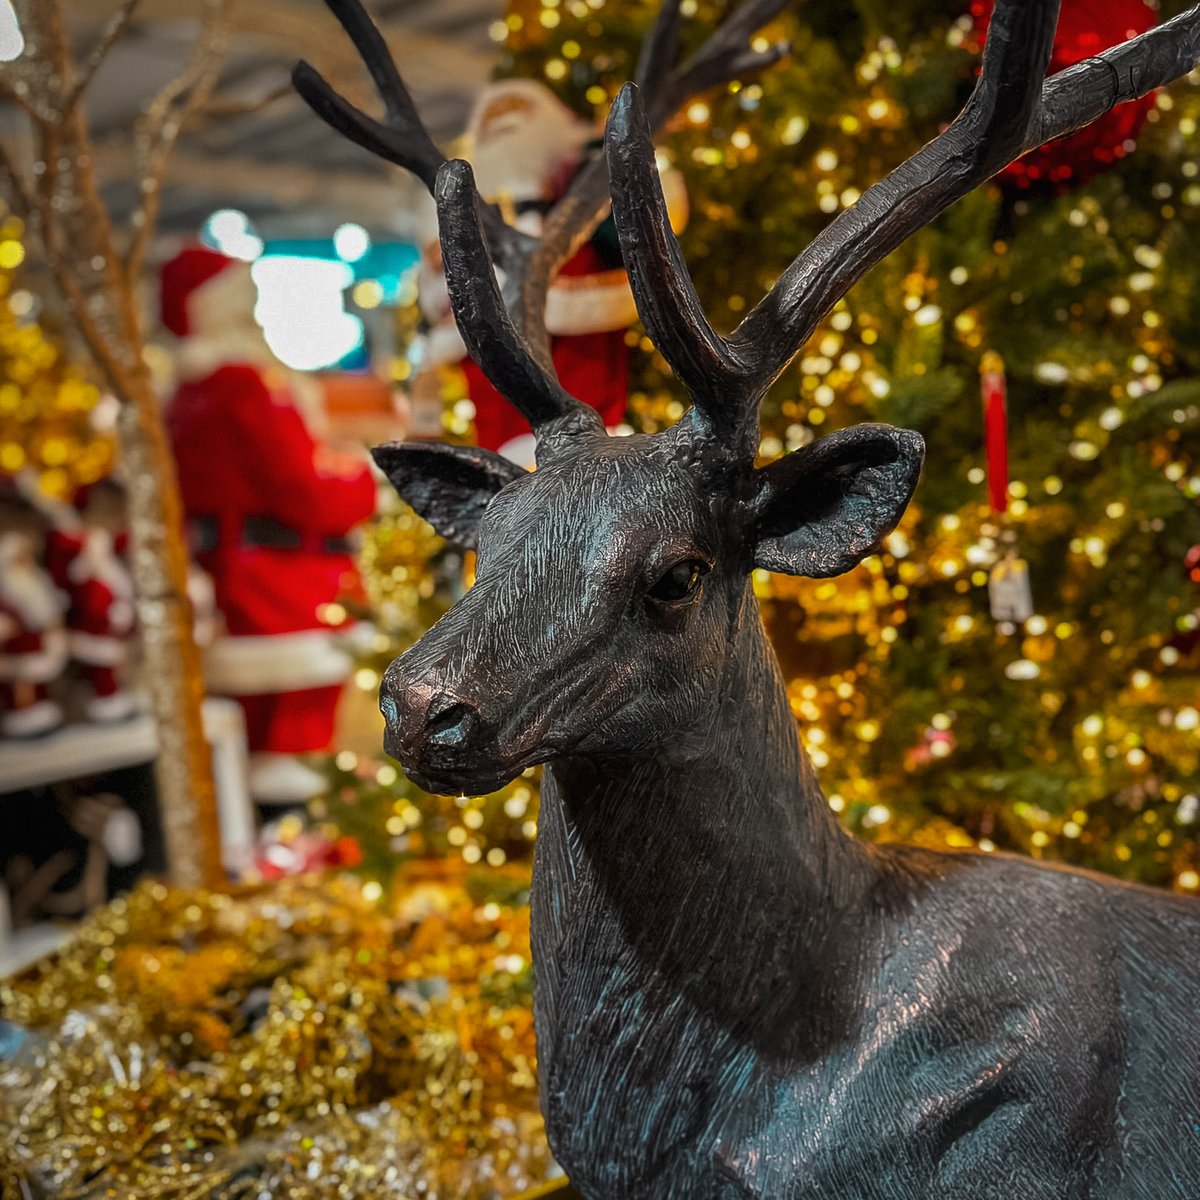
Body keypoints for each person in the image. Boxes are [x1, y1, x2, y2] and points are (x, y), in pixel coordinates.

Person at [162, 246, 376, 805]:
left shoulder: (183, 394)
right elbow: (302, 489)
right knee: (297, 748)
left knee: (250, 749)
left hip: (231, 581)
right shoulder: (245, 386)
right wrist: (363, 478)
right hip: (283, 589)